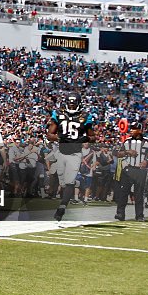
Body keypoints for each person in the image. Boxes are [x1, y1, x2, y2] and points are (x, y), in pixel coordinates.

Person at [47, 92, 95, 222]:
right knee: (62, 182)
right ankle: (73, 184)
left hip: (75, 154)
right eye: (70, 103)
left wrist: (85, 138)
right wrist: (60, 137)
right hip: (62, 152)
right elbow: (49, 135)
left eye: (74, 104)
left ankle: (62, 208)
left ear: (79, 103)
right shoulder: (59, 114)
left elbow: (93, 137)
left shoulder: (85, 116)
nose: (72, 106)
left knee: (69, 182)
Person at [116, 121, 148, 222]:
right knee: (123, 192)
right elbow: (118, 153)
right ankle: (120, 213)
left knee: (139, 194)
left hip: (140, 170)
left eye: (134, 129)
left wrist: (146, 161)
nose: (131, 130)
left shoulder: (147, 141)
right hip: (128, 169)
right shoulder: (127, 141)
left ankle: (139, 215)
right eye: (131, 128)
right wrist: (127, 152)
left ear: (140, 130)